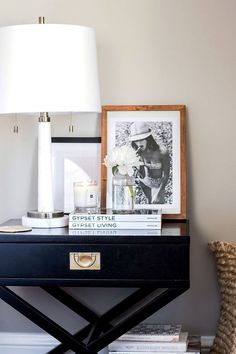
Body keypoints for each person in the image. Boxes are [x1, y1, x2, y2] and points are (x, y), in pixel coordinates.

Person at [129, 121, 170, 204]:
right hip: (144, 183)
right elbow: (141, 175)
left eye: (141, 139)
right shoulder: (136, 154)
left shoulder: (162, 152)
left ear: (148, 138)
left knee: (158, 204)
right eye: (136, 140)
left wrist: (159, 193)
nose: (139, 143)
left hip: (158, 185)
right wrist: (136, 161)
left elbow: (166, 175)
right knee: (149, 204)